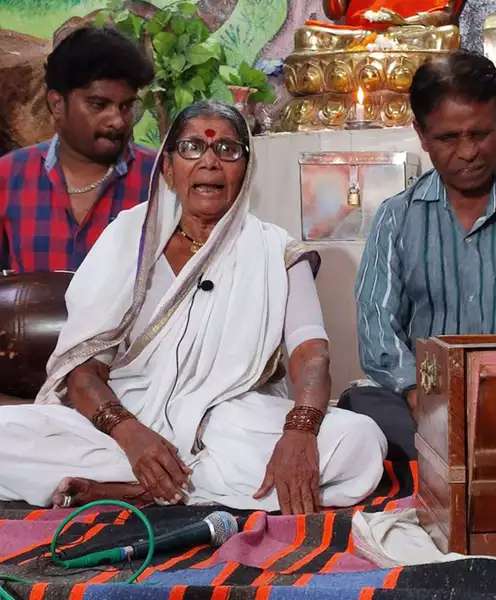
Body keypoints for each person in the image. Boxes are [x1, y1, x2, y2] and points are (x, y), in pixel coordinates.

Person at [0, 101, 387, 514]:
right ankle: (164, 479)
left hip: (228, 420)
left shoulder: (274, 250)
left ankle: (137, 490)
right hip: (126, 418)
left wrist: (301, 432)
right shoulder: (128, 238)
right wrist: (131, 436)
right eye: (191, 148)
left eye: (227, 150)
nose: (209, 162)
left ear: (246, 169)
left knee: (359, 443)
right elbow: (82, 371)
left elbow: (311, 353)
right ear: (167, 168)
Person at [340, 51, 496, 460]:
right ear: (421, 134)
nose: (468, 152)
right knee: (361, 413)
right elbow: (377, 328)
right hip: (418, 404)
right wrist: (419, 395)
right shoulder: (397, 217)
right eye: (448, 138)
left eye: (480, 134)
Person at [0, 26, 156, 273]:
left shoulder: (160, 179)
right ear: (57, 104)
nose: (117, 120)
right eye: (99, 104)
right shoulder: (8, 177)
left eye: (126, 106)